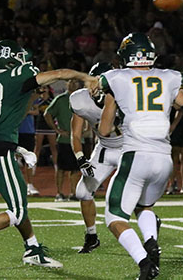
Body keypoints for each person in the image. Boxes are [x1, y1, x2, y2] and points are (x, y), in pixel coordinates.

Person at [0, 39, 97, 269]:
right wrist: (87, 78)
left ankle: (32, 249)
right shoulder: (20, 74)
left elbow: (3, 117)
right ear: (10, 59)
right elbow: (58, 73)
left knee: (18, 204)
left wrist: (17, 148)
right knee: (18, 210)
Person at [98, 32, 183, 279]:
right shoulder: (168, 77)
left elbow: (104, 129)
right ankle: (151, 243)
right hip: (164, 159)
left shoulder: (115, 78)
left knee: (114, 216)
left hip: (136, 155)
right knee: (145, 205)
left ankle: (144, 262)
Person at [69, 62, 122, 253]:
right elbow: (75, 135)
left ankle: (149, 230)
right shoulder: (80, 100)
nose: (91, 87)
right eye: (90, 82)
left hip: (130, 148)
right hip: (105, 149)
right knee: (83, 191)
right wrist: (80, 157)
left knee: (128, 195)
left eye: (96, 83)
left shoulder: (126, 97)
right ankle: (91, 236)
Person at [44, 79, 81, 201]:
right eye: (70, 82)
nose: (73, 84)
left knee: (76, 168)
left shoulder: (82, 98)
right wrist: (57, 129)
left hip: (80, 139)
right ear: (67, 84)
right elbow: (47, 114)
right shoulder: (60, 99)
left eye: (75, 82)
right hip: (65, 139)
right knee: (61, 168)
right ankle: (59, 193)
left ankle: (73, 192)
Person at [33, 86, 58, 171]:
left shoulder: (52, 101)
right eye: (42, 88)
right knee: (37, 147)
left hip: (50, 127)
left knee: (53, 147)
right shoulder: (37, 101)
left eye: (45, 88)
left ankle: (56, 166)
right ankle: (33, 166)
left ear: (48, 90)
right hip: (39, 126)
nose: (43, 90)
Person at [18, 107, 39, 196]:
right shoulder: (15, 98)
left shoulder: (32, 98)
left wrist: (26, 111)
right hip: (16, 131)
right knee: (15, 160)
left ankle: (30, 184)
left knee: (29, 159)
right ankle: (19, 184)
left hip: (29, 131)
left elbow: (36, 111)